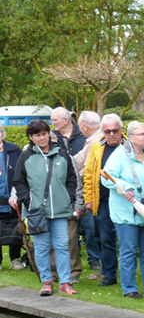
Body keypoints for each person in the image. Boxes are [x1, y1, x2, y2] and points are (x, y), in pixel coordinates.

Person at [102, 121, 144, 299]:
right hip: (126, 214)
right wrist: (124, 187)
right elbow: (106, 177)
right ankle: (129, 288)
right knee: (128, 251)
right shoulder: (119, 155)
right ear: (130, 137)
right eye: (141, 134)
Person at [12, 119, 77, 296]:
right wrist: (28, 201)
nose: (42, 138)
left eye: (44, 134)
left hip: (60, 210)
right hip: (37, 211)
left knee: (63, 246)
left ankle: (65, 282)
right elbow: (19, 181)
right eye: (37, 135)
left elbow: (72, 179)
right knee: (41, 247)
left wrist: (68, 197)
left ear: (49, 134)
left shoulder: (62, 154)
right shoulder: (26, 156)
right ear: (31, 137)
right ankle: (46, 281)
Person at [83, 113, 124, 287]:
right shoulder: (97, 146)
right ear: (102, 132)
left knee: (127, 239)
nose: (111, 134)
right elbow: (89, 174)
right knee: (105, 238)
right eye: (107, 131)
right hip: (103, 202)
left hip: (125, 201)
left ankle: (132, 273)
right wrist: (89, 199)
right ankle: (109, 274)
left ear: (121, 130)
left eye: (115, 130)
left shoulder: (130, 145)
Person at [50, 107, 86, 283]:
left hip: (67, 205)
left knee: (70, 241)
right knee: (49, 241)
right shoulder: (35, 159)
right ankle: (53, 272)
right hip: (47, 206)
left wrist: (78, 205)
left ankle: (73, 272)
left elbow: (77, 184)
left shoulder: (67, 159)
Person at [72, 111, 103, 275]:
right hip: (90, 190)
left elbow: (89, 167)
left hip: (92, 192)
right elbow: (78, 160)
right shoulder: (93, 139)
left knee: (94, 228)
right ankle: (97, 261)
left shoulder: (96, 140)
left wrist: (72, 175)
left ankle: (98, 262)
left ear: (84, 126)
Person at [0, 125, 23, 270]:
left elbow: (21, 172)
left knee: (16, 229)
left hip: (12, 199)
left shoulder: (14, 150)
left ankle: (16, 259)